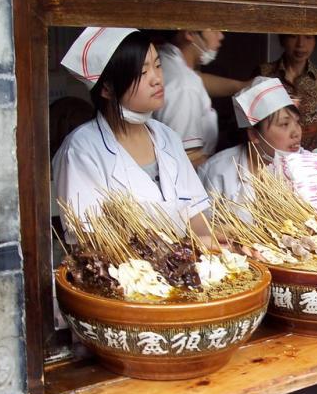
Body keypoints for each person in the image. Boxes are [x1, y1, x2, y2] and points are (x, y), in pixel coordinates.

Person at [52, 27, 210, 241]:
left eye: (158, 65)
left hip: (186, 270)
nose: (156, 79)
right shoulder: (81, 151)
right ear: (107, 88)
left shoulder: (168, 138)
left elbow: (196, 219)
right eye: (142, 72)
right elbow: (93, 244)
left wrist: (217, 243)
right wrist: (179, 250)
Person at [197, 77, 302, 205]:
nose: (296, 133)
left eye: (297, 122)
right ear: (254, 134)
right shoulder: (217, 172)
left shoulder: (309, 166)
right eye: (284, 124)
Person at [151, 29, 248, 168]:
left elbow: (199, 79)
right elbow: (188, 161)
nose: (221, 35)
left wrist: (242, 86)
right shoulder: (185, 86)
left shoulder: (166, 59)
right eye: (214, 28)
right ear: (189, 33)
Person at [255, 35, 317, 150]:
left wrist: (303, 146)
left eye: (308, 37)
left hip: (307, 154)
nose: (300, 44)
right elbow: (253, 121)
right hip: (270, 153)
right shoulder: (263, 74)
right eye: (293, 37)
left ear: (315, 42)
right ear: (282, 40)